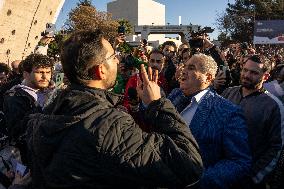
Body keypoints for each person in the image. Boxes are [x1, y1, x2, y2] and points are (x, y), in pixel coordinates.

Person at [26, 30, 203, 189]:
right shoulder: (108, 125)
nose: (118, 60)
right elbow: (189, 165)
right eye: (112, 56)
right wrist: (157, 104)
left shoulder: (46, 112)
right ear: (101, 70)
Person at [168, 53, 251, 189]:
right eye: (184, 66)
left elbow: (239, 161)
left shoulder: (228, 112)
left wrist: (199, 181)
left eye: (191, 68)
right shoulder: (174, 95)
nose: (183, 70)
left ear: (208, 77)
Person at [222, 55, 284, 189]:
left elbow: (276, 147)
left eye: (254, 72)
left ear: (265, 76)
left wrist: (254, 178)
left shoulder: (273, 106)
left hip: (247, 179)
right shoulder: (228, 93)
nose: (246, 75)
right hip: (219, 172)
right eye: (245, 70)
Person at [3, 54, 53, 164]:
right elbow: (18, 133)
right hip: (29, 157)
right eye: (39, 72)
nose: (45, 77)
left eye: (48, 72)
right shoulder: (14, 97)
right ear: (26, 74)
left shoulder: (49, 91)